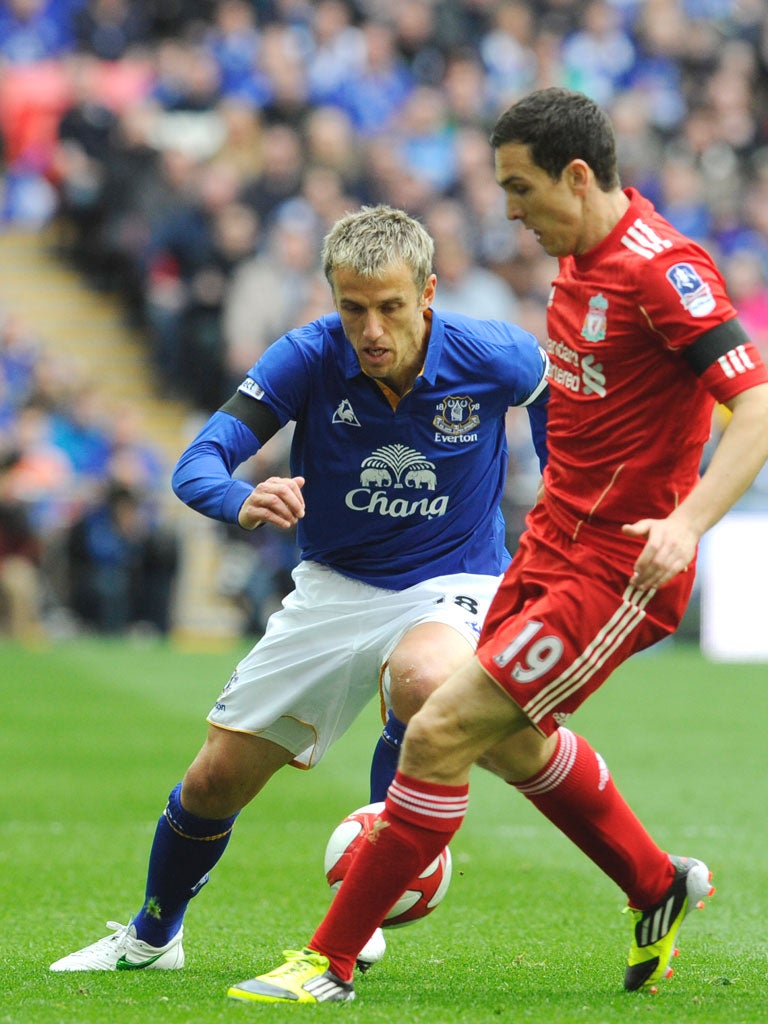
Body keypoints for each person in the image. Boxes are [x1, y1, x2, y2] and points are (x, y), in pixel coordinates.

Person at [233, 87, 768, 1004]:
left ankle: (328, 962)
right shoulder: (577, 263)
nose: (509, 211)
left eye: (520, 189)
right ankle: (656, 884)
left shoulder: (662, 272)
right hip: (546, 549)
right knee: (511, 740)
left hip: (616, 569)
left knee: (440, 728)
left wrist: (686, 524)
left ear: (577, 174)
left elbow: (755, 405)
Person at [49, 205, 549, 972]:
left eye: (389, 307)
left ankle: (368, 891)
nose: (372, 329)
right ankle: (153, 937)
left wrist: (557, 492)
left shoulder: (492, 353)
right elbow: (197, 464)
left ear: (428, 293)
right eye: (353, 308)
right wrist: (241, 499)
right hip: (332, 589)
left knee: (422, 680)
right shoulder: (308, 356)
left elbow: (548, 388)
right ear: (333, 301)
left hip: (455, 580)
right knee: (214, 779)